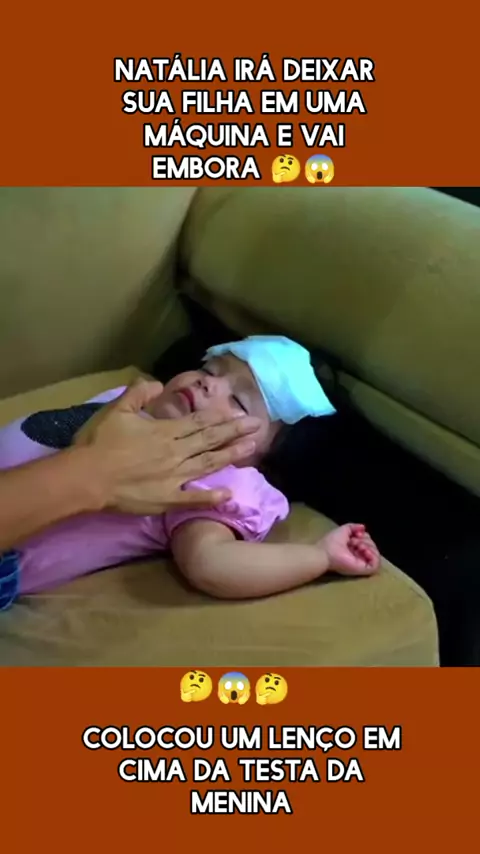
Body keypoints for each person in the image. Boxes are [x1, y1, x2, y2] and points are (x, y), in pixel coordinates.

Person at [0, 336, 380, 609]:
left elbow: (209, 563)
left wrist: (320, 557)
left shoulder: (215, 477)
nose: (208, 383)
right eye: (210, 369)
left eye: (238, 400)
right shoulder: (137, 401)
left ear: (261, 463)